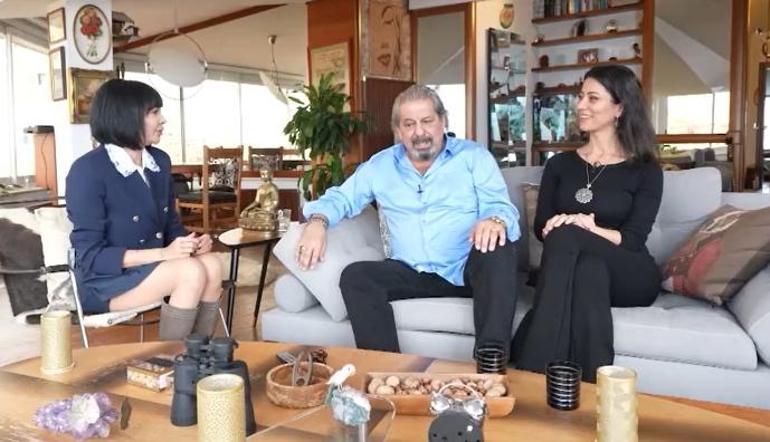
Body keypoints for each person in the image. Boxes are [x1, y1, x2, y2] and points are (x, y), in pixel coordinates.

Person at [295, 85, 520, 356]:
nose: (419, 132)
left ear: (443, 121)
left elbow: (501, 206)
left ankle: (490, 363)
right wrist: (318, 221)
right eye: (409, 124)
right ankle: (389, 370)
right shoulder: (380, 166)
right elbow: (342, 198)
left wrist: (494, 220)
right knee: (356, 277)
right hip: (410, 271)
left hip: (466, 269)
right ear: (398, 131)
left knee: (499, 247)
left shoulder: (474, 157)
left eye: (427, 121)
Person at [510, 64, 662, 382]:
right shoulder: (560, 165)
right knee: (588, 270)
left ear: (619, 108)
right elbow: (542, 227)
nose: (580, 105)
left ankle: (531, 369)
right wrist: (570, 227)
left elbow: (633, 239)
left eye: (593, 98)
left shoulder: (645, 169)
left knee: (568, 235)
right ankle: (594, 386)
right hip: (576, 266)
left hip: (629, 272)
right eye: (580, 96)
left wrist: (588, 228)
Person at [66, 79, 224, 340]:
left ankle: (200, 353)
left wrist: (192, 244)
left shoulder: (159, 161)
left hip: (153, 268)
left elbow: (171, 226)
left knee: (212, 264)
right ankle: (170, 358)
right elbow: (90, 256)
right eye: (154, 112)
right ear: (126, 116)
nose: (162, 120)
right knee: (190, 271)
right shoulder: (88, 170)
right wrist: (164, 254)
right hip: (106, 282)